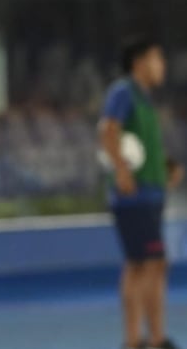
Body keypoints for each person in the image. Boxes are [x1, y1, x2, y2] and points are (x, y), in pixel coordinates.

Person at [98, 36, 184, 349]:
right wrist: (121, 169)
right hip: (135, 197)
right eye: (157, 58)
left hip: (149, 194)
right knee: (150, 262)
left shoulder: (145, 100)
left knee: (142, 264)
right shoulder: (124, 91)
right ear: (140, 63)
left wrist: (166, 166)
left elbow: (141, 147)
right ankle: (148, 340)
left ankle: (140, 341)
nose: (162, 65)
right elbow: (108, 130)